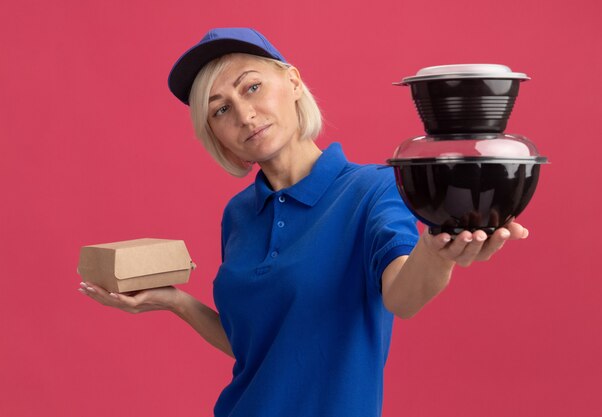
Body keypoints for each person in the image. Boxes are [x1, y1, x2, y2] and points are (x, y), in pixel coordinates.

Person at [78, 28, 529, 417]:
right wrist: (176, 302)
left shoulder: (373, 189)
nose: (243, 114)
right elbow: (257, 344)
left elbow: (402, 295)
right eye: (220, 109)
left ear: (292, 81)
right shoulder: (238, 215)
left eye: (250, 87)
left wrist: (435, 253)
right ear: (214, 133)